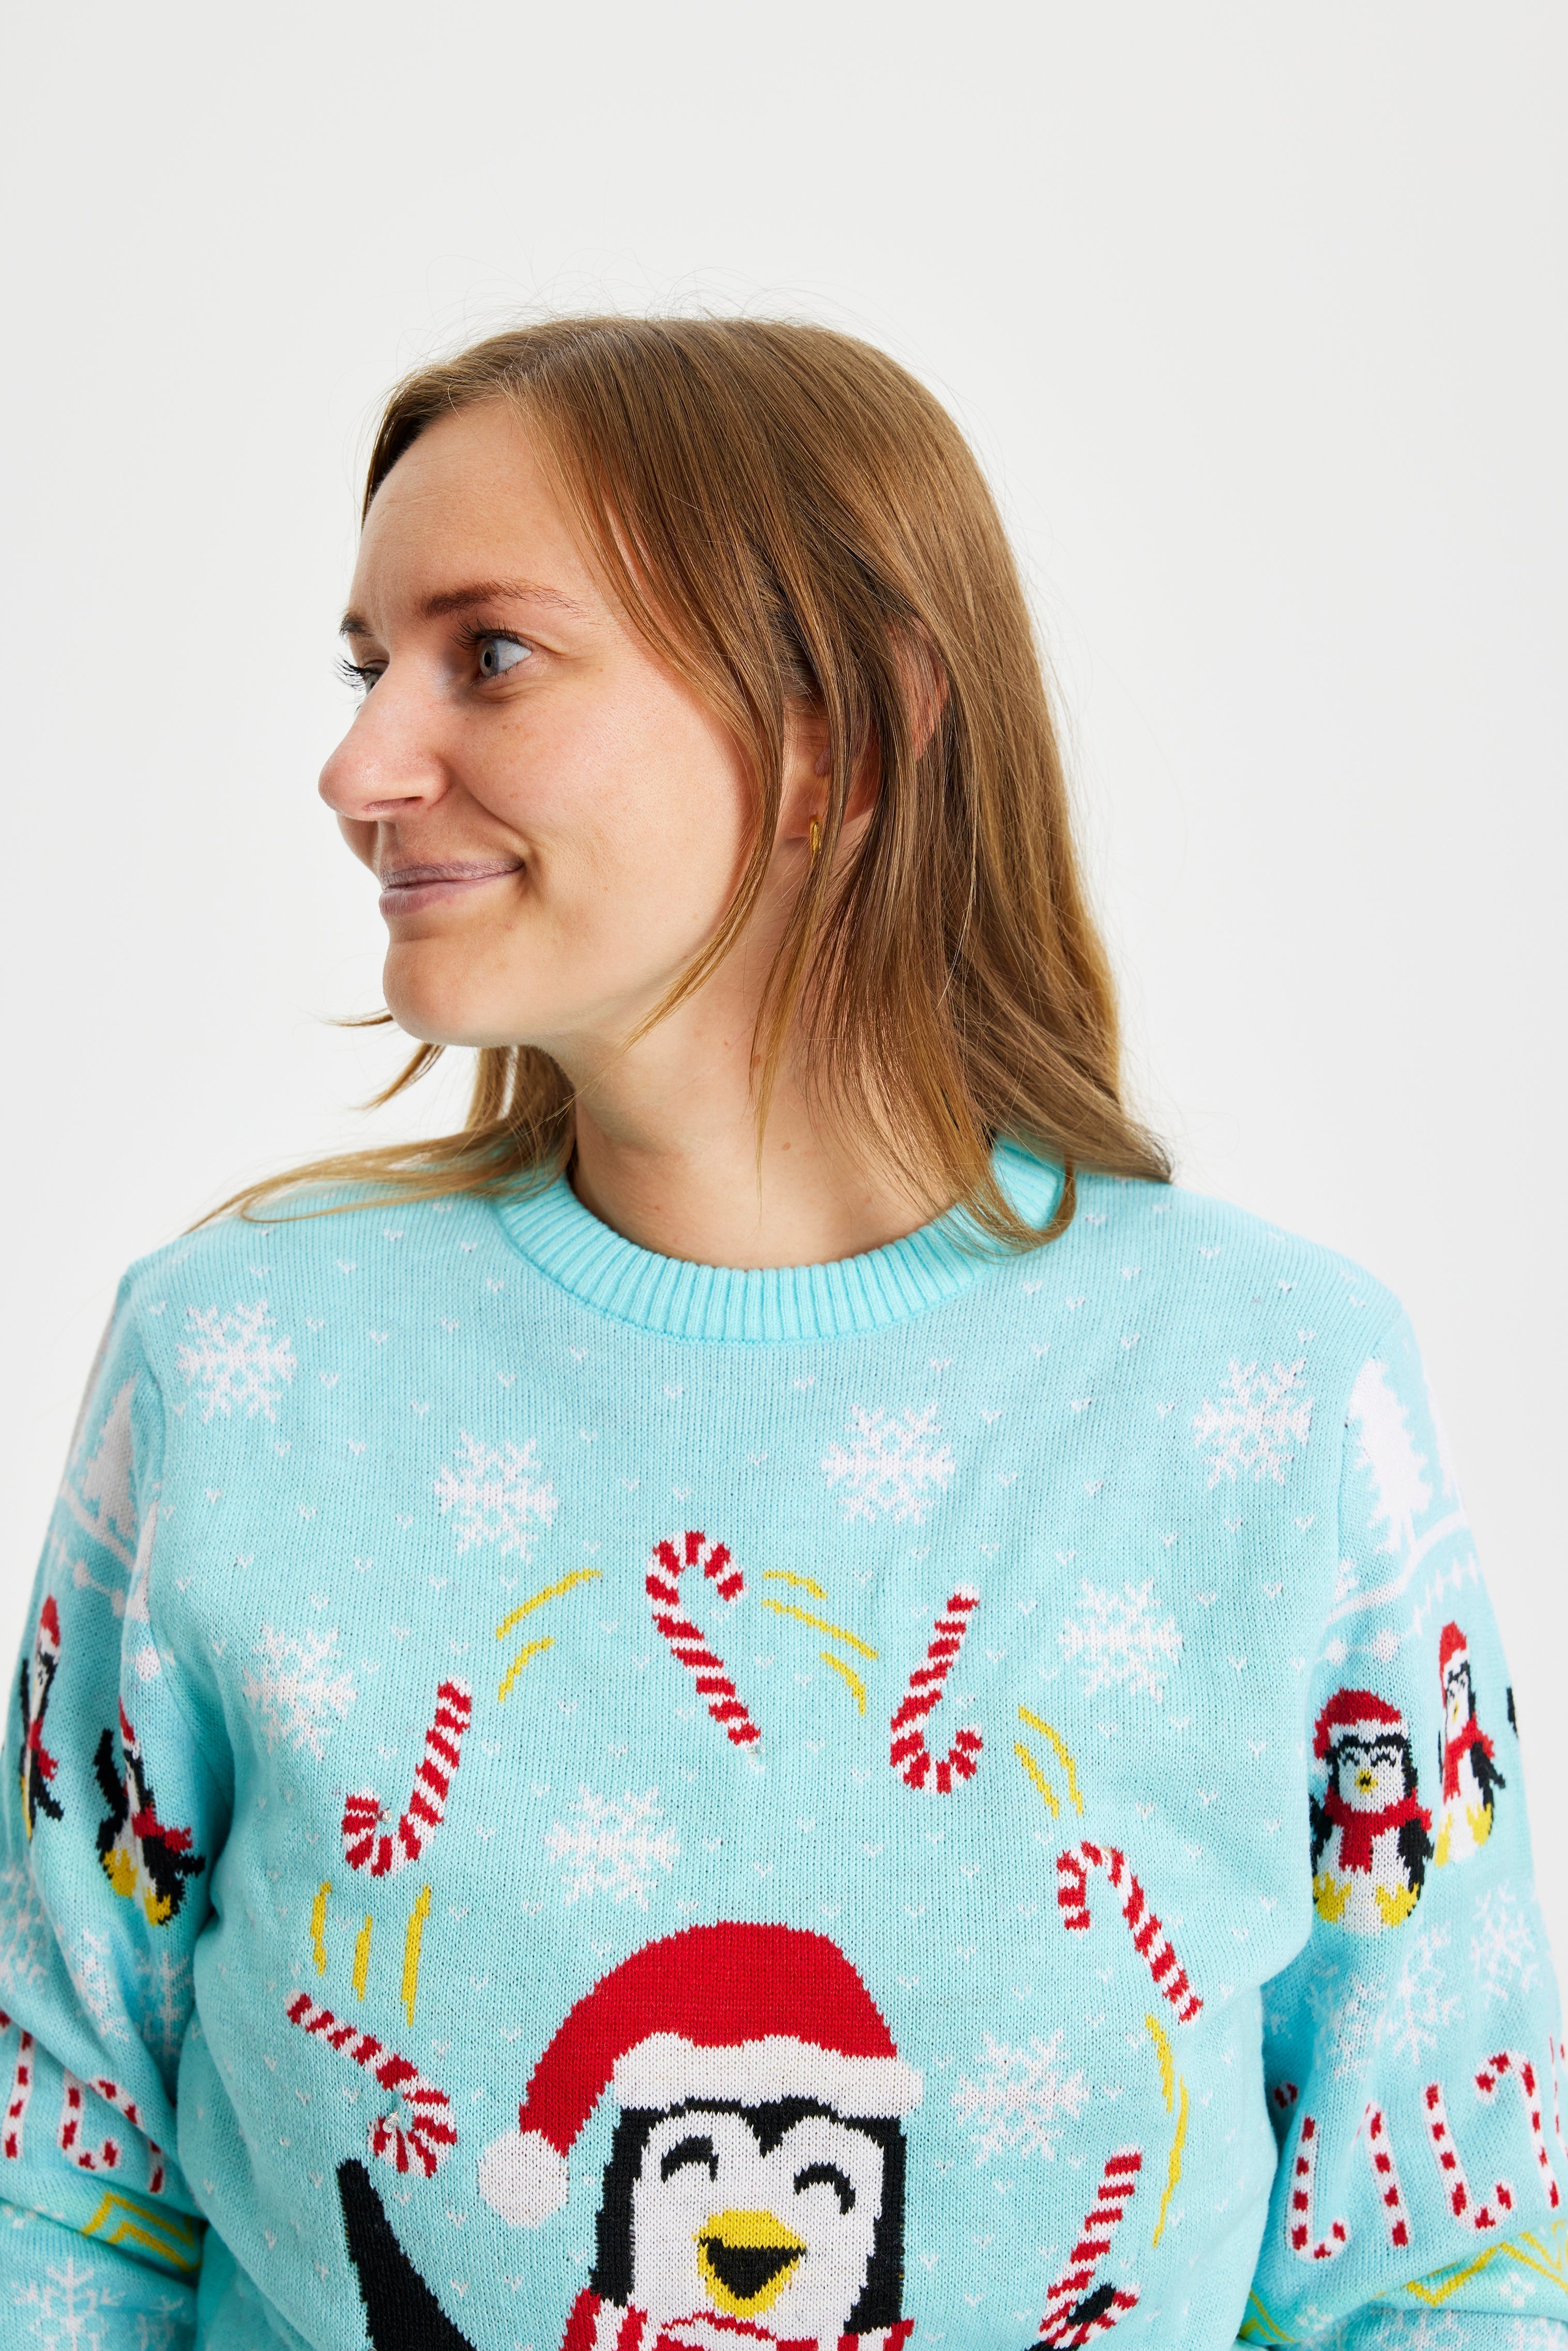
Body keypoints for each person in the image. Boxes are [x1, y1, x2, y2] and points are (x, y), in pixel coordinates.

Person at [1, 317, 1559, 2351]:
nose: (361, 768)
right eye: (366, 667)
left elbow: (1438, 2253)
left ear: (844, 737)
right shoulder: (238, 1372)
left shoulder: (1269, 1391)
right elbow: (56, 2193)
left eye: (489, 654)